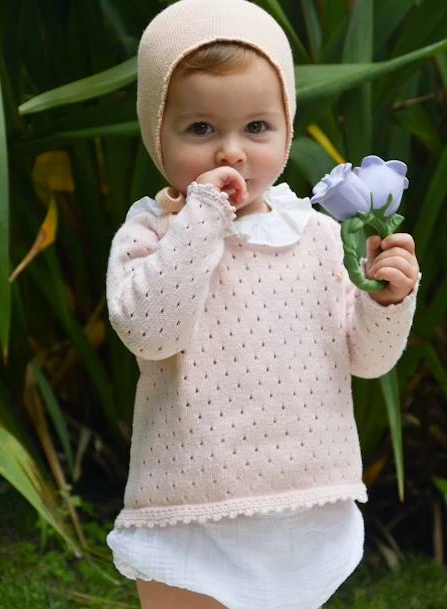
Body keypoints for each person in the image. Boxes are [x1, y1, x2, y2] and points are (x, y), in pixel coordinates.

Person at [105, 1, 420, 608]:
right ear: (156, 133)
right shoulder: (154, 234)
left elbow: (368, 360)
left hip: (305, 499)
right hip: (190, 504)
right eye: (201, 129)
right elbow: (151, 332)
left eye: (256, 127)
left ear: (287, 127)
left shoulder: (318, 235)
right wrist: (201, 219)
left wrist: (387, 301)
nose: (232, 152)